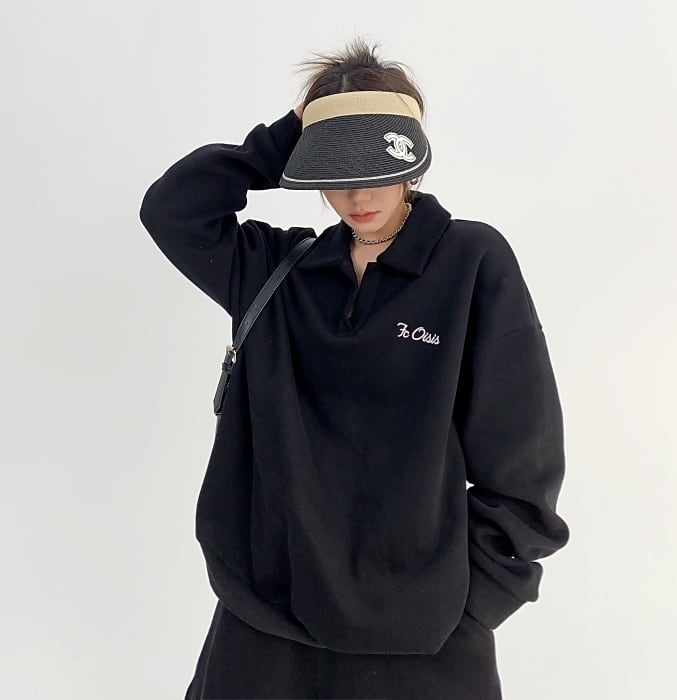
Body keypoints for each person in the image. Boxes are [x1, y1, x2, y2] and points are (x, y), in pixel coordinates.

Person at [139, 38, 570, 700]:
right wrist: (299, 129)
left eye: (375, 166)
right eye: (335, 169)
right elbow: (174, 209)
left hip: (422, 633)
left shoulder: (471, 261)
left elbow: (523, 455)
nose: (356, 193)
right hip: (264, 620)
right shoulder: (278, 273)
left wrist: (474, 602)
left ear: (410, 159)